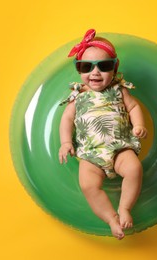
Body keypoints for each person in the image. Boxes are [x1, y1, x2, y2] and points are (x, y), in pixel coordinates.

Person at [58, 29, 147, 240]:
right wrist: (65, 142)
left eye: (104, 66)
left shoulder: (119, 90)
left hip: (119, 147)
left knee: (134, 169)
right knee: (88, 185)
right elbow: (67, 120)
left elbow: (133, 107)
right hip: (90, 154)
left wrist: (139, 125)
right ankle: (111, 218)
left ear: (114, 69)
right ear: (79, 70)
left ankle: (125, 207)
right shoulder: (77, 96)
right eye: (86, 67)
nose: (95, 73)